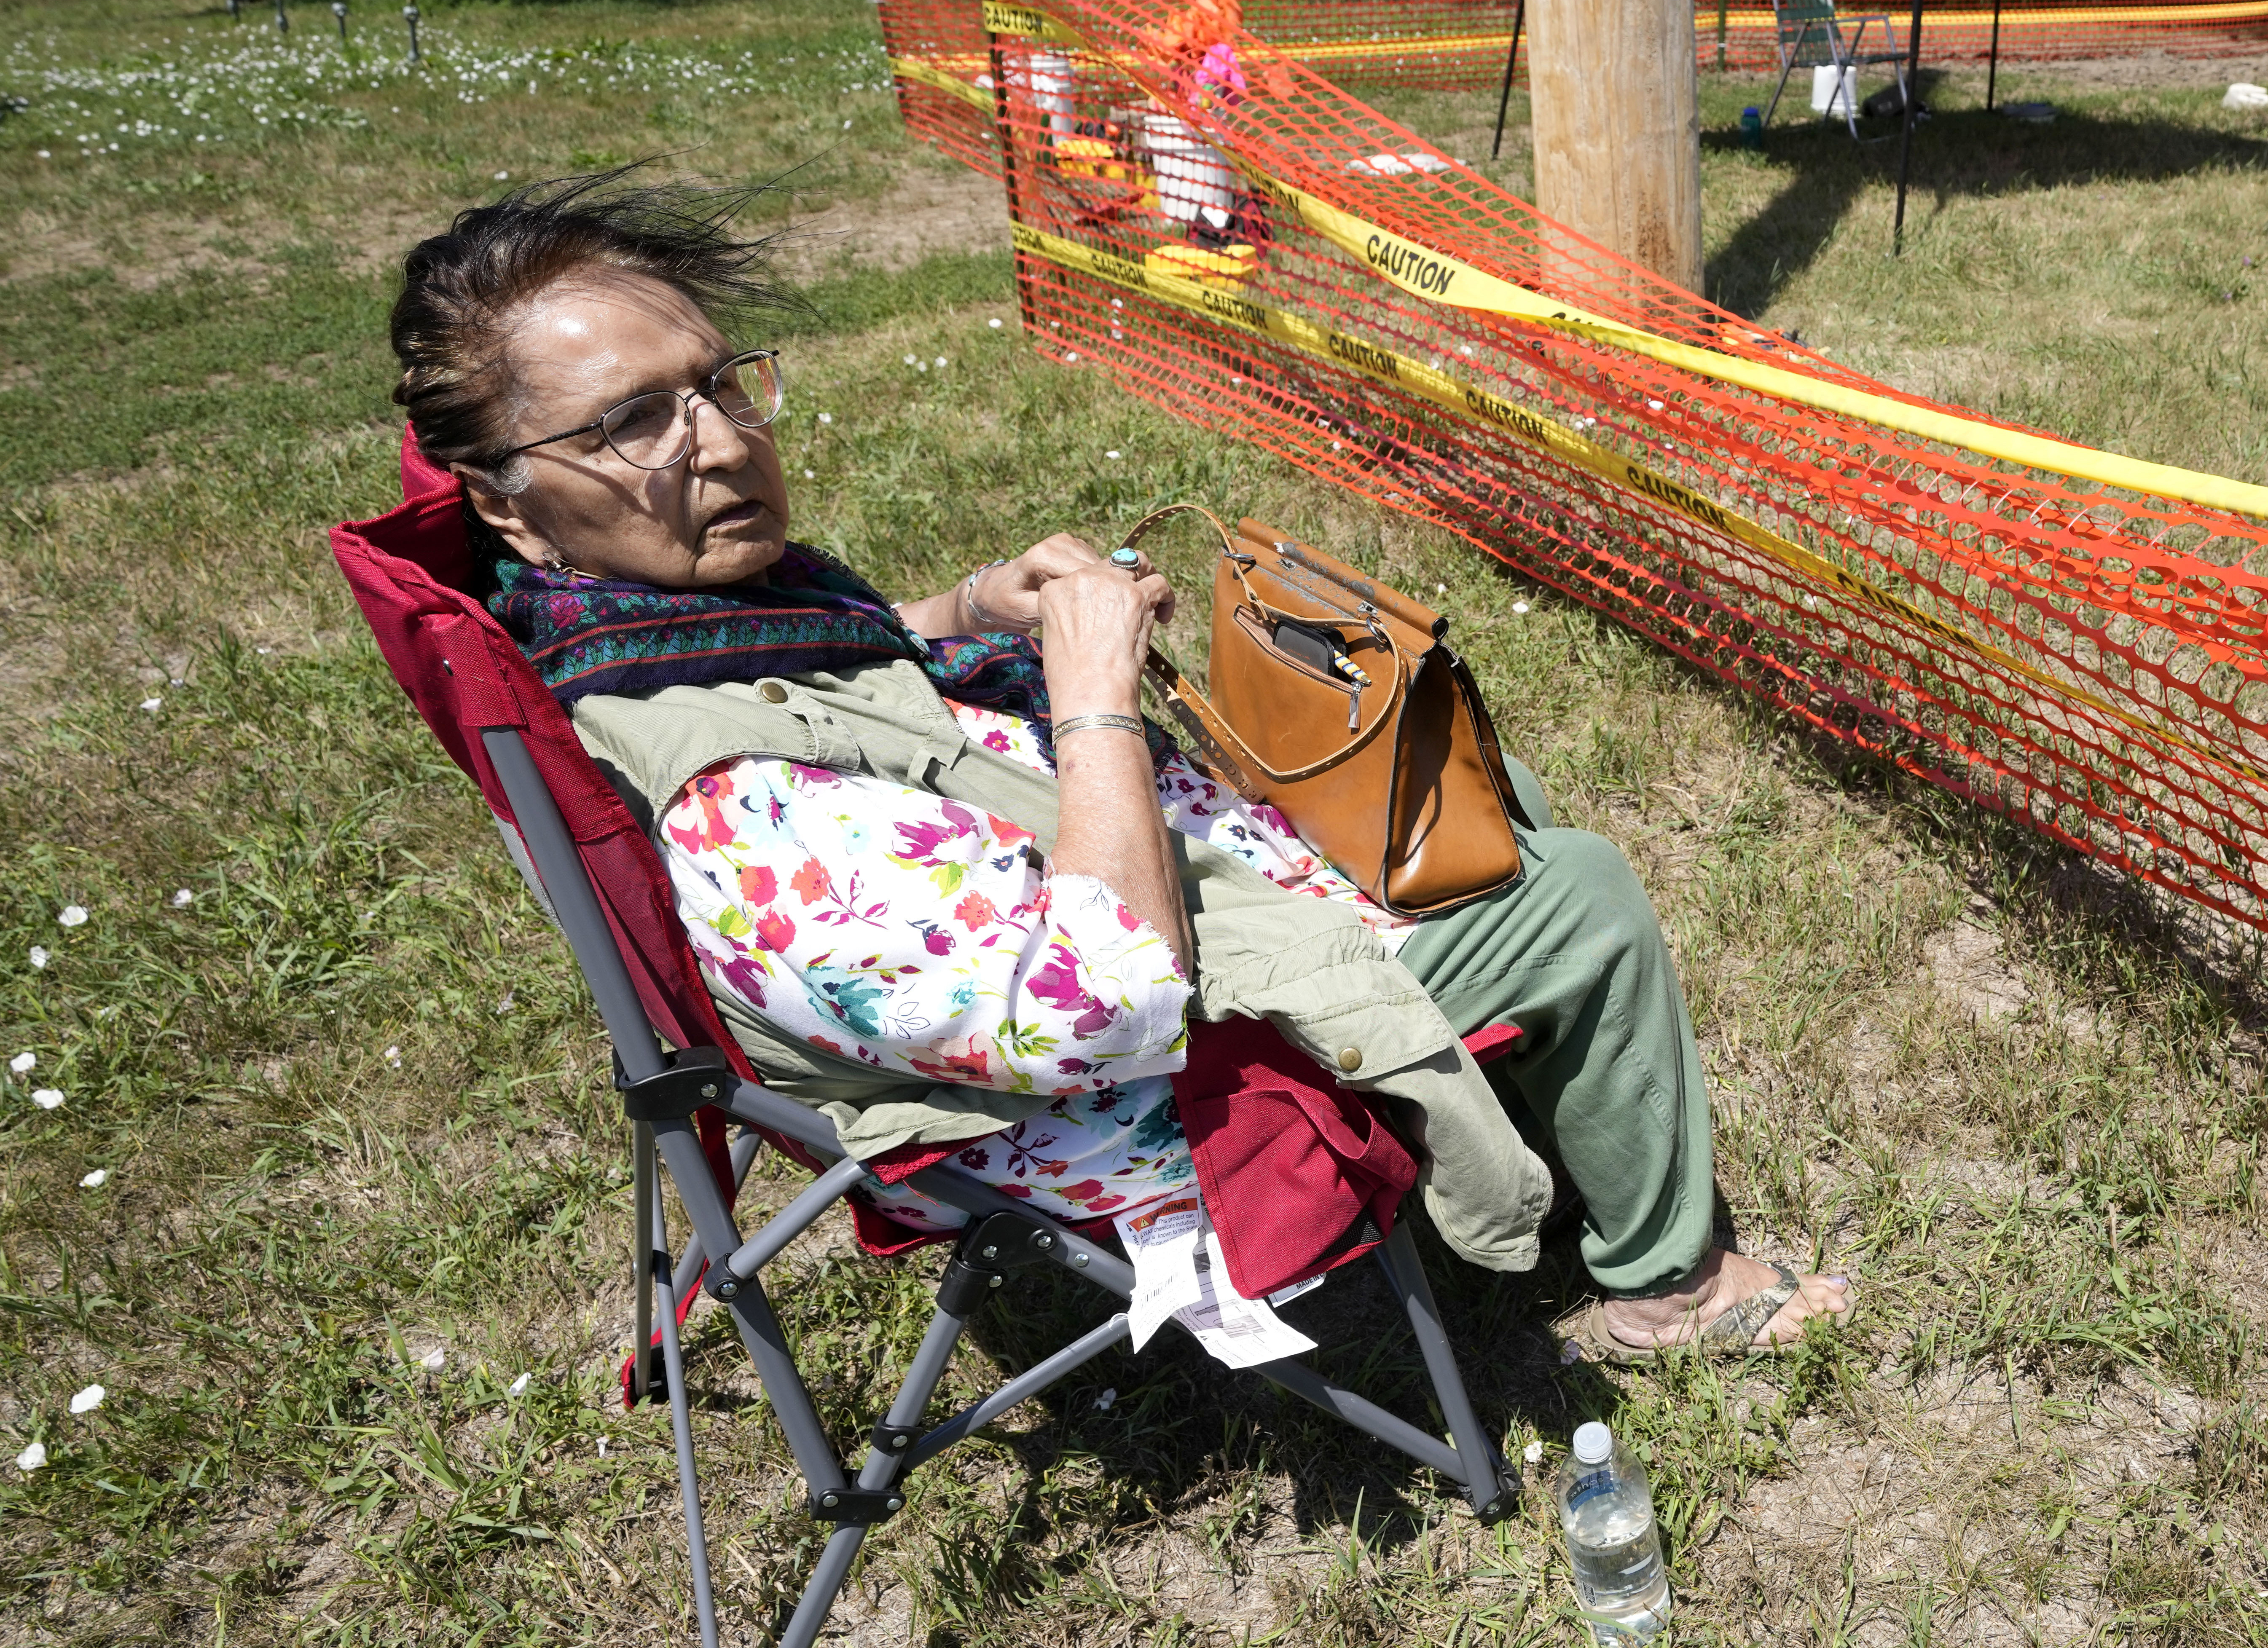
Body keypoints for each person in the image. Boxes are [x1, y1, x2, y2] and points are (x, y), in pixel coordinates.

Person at [386, 172, 1852, 1359]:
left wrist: (966, 614)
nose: (717, 443)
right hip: (1137, 1091)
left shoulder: (646, 629)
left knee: (1467, 796)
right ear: (511, 509)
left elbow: (841, 678)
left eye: (719, 383)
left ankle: (1558, 1125)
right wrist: (1088, 701)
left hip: (1146, 919)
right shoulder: (740, 817)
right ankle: (1677, 1289)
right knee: (1573, 892)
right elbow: (1097, 1021)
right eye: (633, 420)